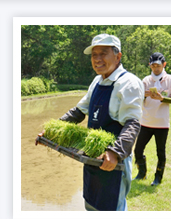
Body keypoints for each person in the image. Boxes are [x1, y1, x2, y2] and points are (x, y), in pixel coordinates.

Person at [38, 34, 144, 211]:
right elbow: (79, 111)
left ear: (118, 56)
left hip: (113, 162)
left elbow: (133, 123)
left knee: (112, 207)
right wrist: (52, 131)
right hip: (92, 157)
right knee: (92, 203)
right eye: (94, 55)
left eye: (103, 53)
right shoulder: (97, 80)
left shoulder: (129, 83)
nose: (97, 59)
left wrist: (115, 152)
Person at [133, 52, 171, 186]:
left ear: (164, 65)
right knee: (138, 149)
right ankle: (142, 173)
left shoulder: (170, 79)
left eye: (158, 65)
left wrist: (162, 98)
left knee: (160, 151)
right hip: (146, 121)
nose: (155, 68)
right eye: (152, 66)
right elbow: (138, 98)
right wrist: (145, 95)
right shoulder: (146, 80)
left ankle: (158, 177)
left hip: (162, 123)